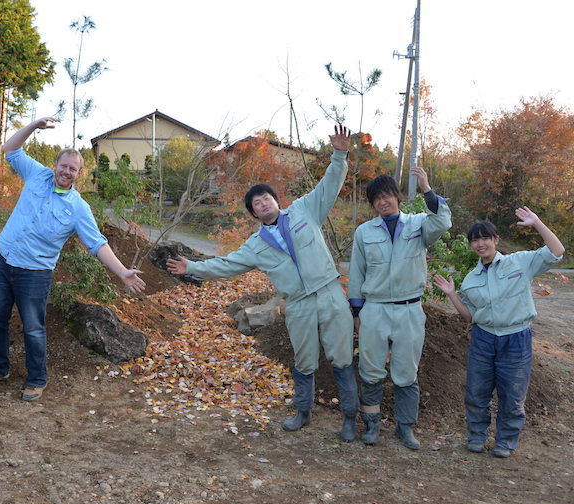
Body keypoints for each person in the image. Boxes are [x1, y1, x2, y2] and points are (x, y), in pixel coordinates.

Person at [167, 126, 360, 442]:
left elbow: (330, 186)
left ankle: (350, 418)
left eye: (266, 197)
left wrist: (340, 154)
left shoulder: (304, 210)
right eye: (256, 203)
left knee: (341, 357)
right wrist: (193, 267)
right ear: (254, 212)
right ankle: (303, 411)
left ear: (275, 200)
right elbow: (226, 265)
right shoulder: (256, 245)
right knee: (304, 359)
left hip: (328, 293)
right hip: (297, 303)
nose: (263, 203)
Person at [0, 116, 146, 402]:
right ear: (55, 165)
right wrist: (32, 127)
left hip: (34, 272)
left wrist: (121, 272)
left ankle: (36, 379)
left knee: (32, 327)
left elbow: (97, 243)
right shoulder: (36, 175)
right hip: (2, 260)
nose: (66, 171)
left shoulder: (78, 208)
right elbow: (9, 149)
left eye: (73, 169)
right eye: (63, 166)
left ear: (78, 174)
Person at [433, 207, 564, 458]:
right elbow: (470, 316)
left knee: (513, 395)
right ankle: (477, 436)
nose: (480, 243)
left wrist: (537, 223)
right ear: (471, 244)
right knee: (476, 391)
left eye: (485, 238)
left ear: (495, 240)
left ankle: (505, 441)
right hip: (484, 338)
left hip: (516, 338)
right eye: (475, 240)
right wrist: (451, 294)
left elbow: (557, 251)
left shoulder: (520, 262)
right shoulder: (471, 279)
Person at [347, 169, 452, 449]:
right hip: (375, 309)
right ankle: (371, 426)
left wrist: (427, 189)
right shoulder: (364, 232)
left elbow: (443, 221)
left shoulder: (419, 225)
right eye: (377, 199)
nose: (383, 202)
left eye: (387, 196)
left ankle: (405, 428)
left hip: (409, 309)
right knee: (370, 370)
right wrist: (357, 313)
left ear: (398, 197)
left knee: (406, 371)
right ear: (373, 204)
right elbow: (357, 273)